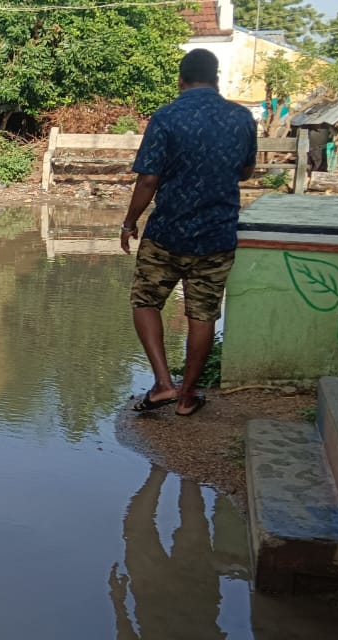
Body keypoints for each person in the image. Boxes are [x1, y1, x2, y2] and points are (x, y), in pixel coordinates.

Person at [121, 48, 256, 417]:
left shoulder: (166, 117)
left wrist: (129, 222)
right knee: (203, 313)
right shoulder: (242, 118)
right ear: (216, 79)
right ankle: (187, 396)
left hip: (167, 232)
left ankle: (164, 383)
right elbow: (245, 171)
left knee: (146, 301)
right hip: (216, 236)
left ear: (181, 80)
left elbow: (149, 179)